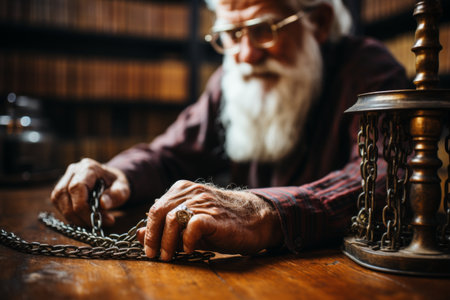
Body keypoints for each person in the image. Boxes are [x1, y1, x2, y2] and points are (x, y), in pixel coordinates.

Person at [50, 0, 409, 261]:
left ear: (318, 20)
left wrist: (265, 211)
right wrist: (120, 173)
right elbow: (171, 153)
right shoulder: (228, 80)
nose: (246, 54)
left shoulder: (368, 68)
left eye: (263, 29)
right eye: (231, 34)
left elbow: (388, 177)